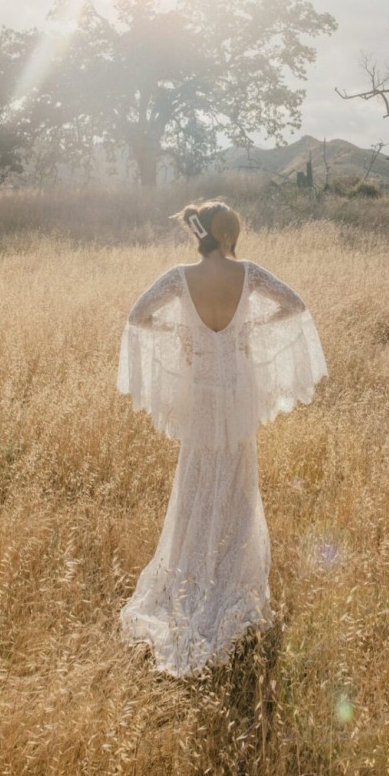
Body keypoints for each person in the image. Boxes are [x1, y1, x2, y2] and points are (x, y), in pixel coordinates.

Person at [117, 199, 327, 676]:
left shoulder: (178, 277)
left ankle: (190, 581)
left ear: (199, 234)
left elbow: (137, 316)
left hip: (201, 399)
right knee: (236, 489)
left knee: (194, 487)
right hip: (235, 398)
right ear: (229, 235)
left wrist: (185, 335)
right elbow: (295, 305)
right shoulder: (248, 273)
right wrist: (248, 326)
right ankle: (228, 582)